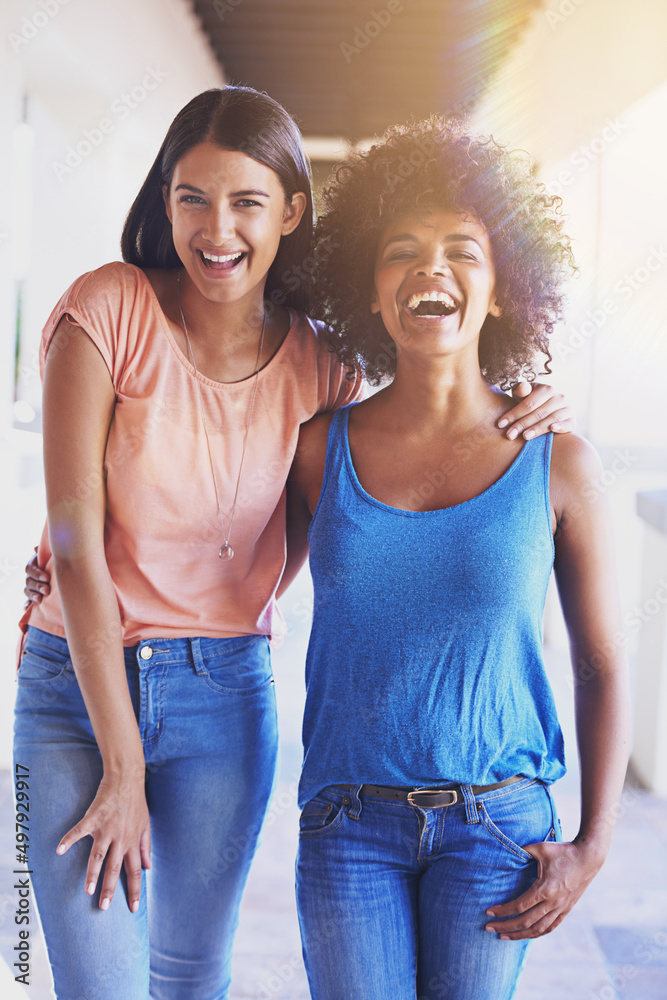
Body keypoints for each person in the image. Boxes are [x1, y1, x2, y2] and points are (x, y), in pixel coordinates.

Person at [18, 89, 571, 1000]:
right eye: (192, 197)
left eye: (246, 202)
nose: (216, 228)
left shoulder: (322, 363)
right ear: (165, 202)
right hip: (74, 687)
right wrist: (119, 765)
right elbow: (74, 543)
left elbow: (428, 392)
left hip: (223, 692)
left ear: (291, 213)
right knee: (98, 986)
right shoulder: (106, 309)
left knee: (191, 974)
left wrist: (532, 396)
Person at [286, 117, 630, 1000]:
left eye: (461, 251)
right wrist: (68, 564)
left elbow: (599, 662)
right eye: (401, 251)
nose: (429, 268)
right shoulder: (318, 448)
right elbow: (225, 568)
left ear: (503, 288)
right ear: (371, 288)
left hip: (498, 829)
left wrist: (593, 844)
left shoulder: (561, 464)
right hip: (346, 824)